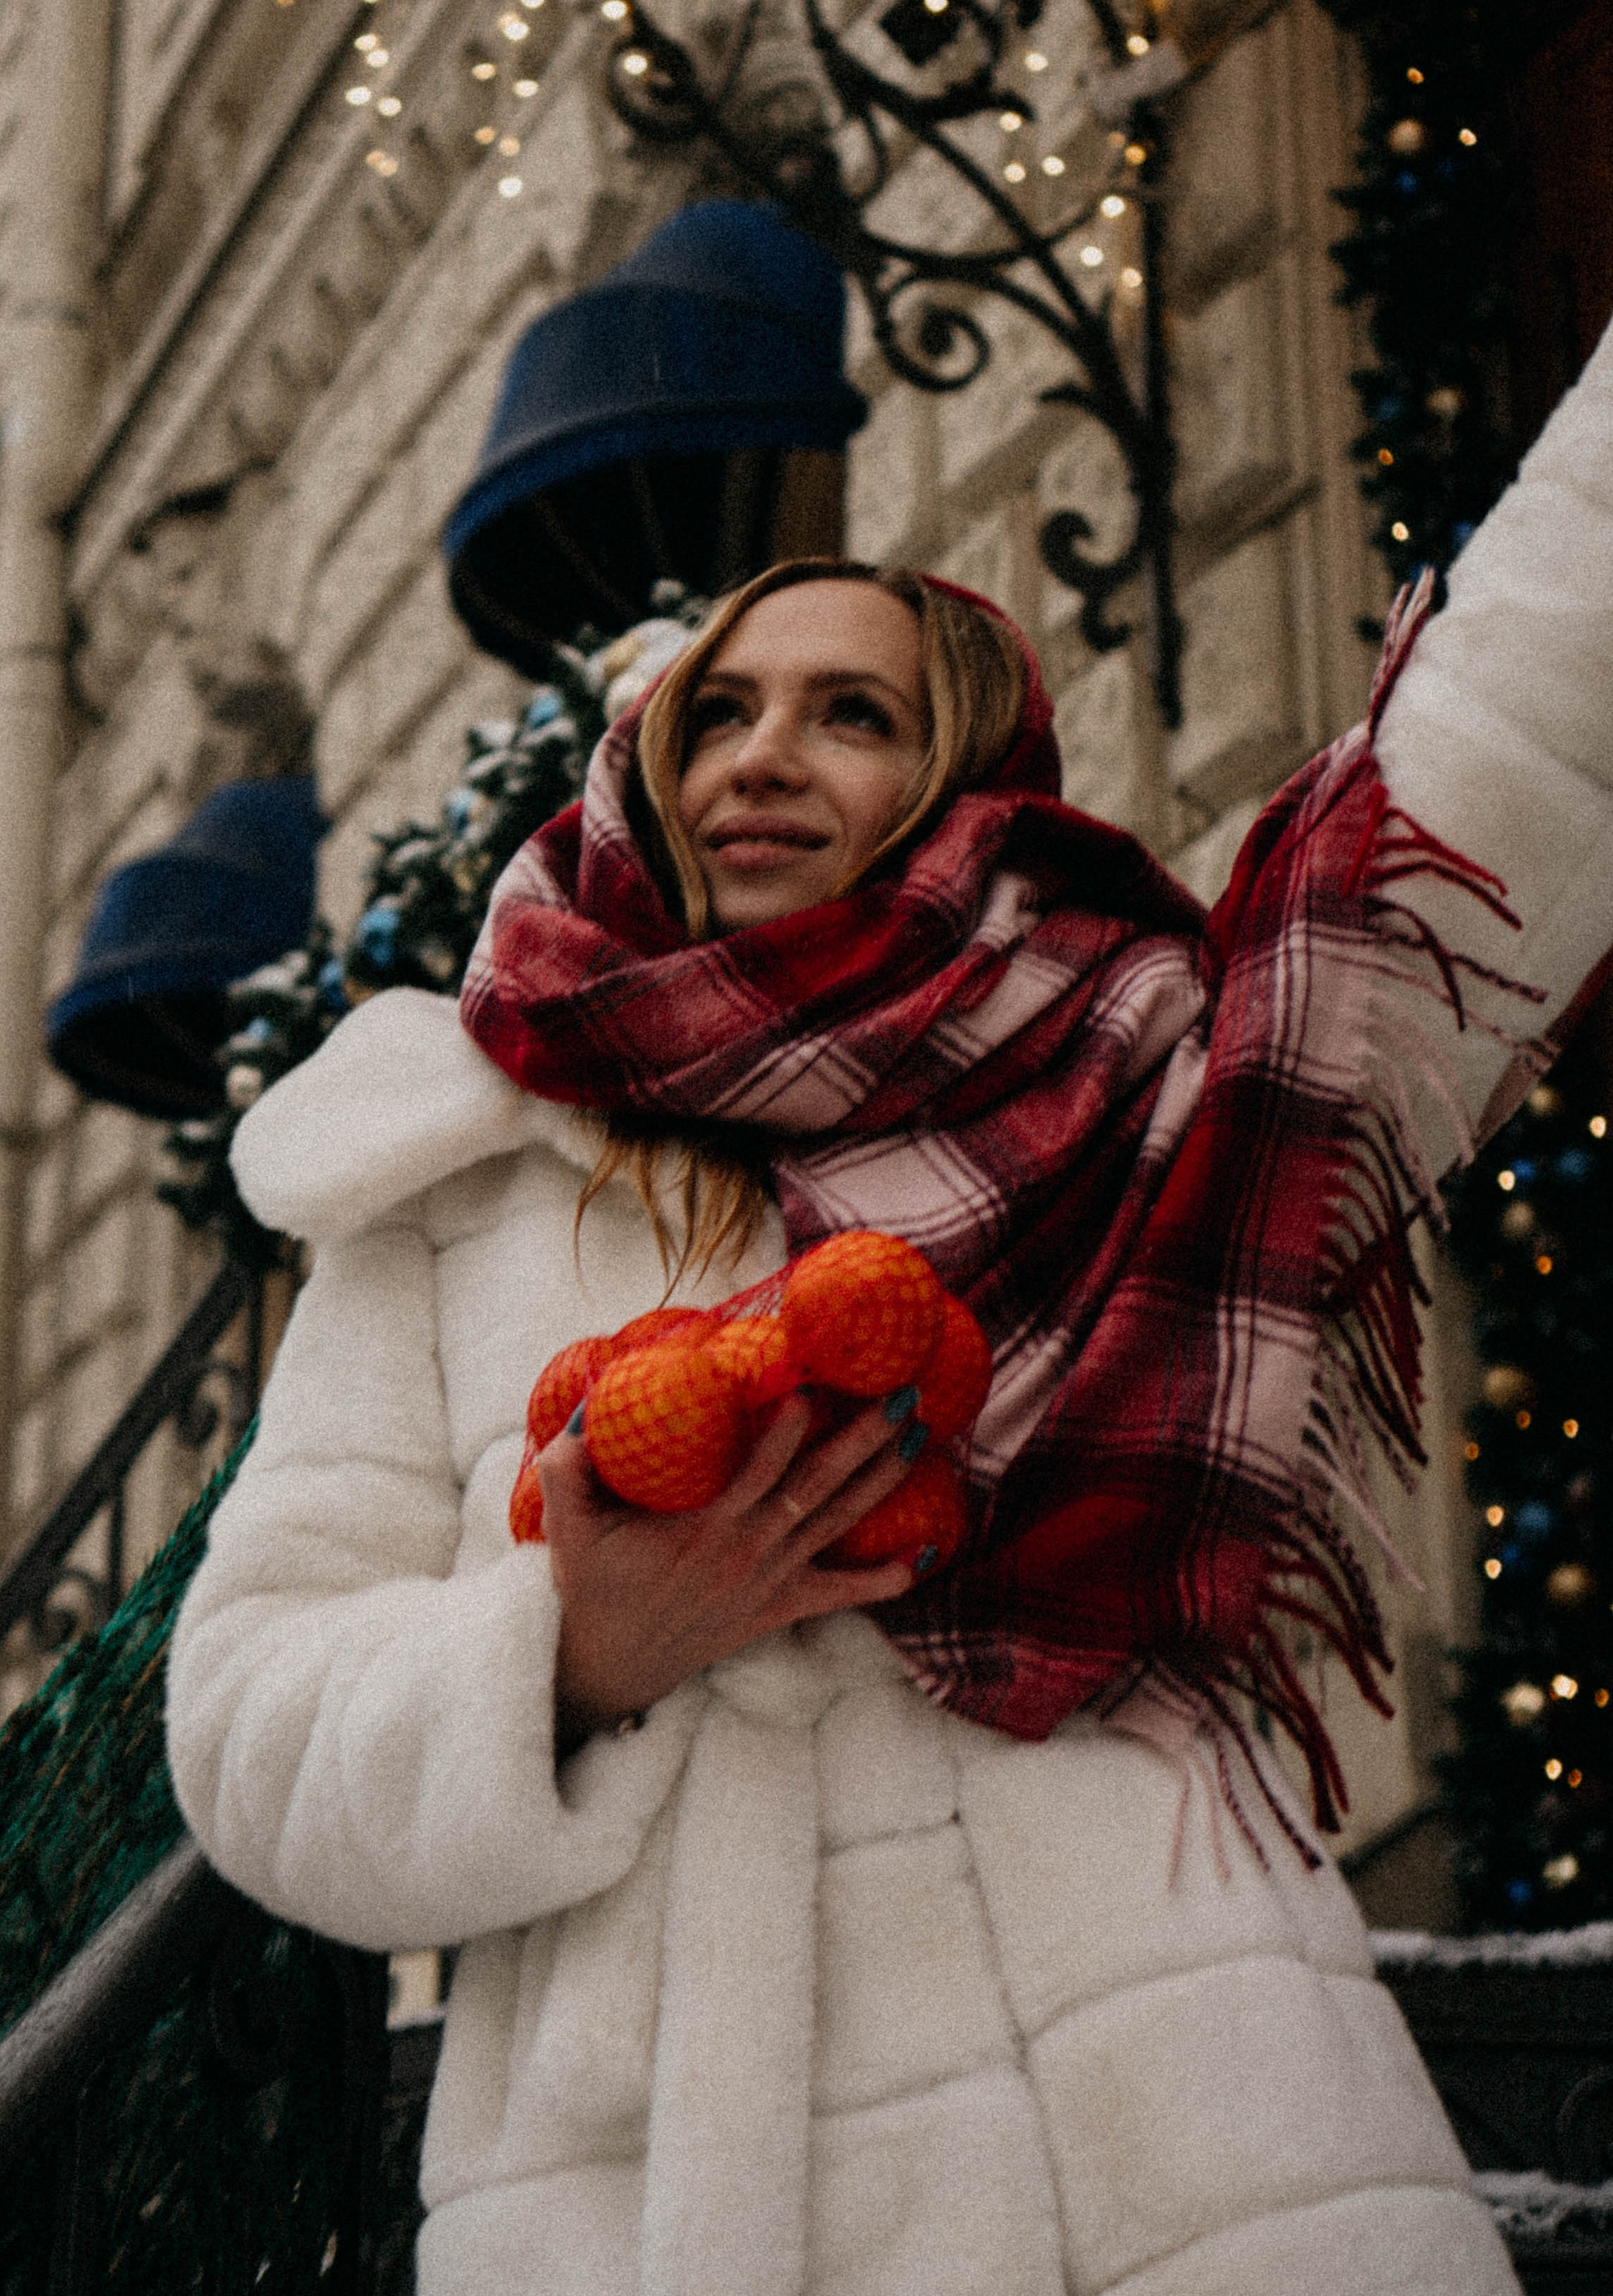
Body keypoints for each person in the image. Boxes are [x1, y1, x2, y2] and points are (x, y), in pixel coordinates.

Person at [166, 314, 1613, 2296]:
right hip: (659, 2191)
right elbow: (249, 1722)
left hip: (1184, 2147)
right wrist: (570, 1651)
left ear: (957, 778)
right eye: (718, 713)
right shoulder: (458, 1179)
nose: (767, 753)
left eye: (852, 714)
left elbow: (1510, 763)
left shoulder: (1145, 1065)